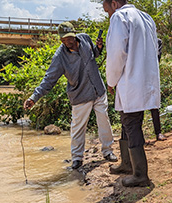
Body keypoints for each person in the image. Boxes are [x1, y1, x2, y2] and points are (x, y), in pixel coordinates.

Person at [23, 22, 117, 170]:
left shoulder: (85, 38)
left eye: (69, 38)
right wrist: (34, 97)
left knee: (104, 120)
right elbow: (49, 79)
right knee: (78, 128)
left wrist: (99, 48)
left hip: (98, 90)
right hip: (80, 95)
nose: (68, 42)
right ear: (61, 40)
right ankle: (77, 158)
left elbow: (95, 54)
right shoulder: (60, 57)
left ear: (74, 34)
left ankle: (108, 151)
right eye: (64, 40)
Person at [104, 0, 160, 187]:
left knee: (131, 122)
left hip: (130, 79)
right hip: (145, 78)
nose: (108, 15)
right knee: (128, 120)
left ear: (114, 4)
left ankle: (140, 174)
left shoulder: (120, 17)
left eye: (107, 11)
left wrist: (111, 81)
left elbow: (116, 53)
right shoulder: (146, 17)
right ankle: (127, 163)